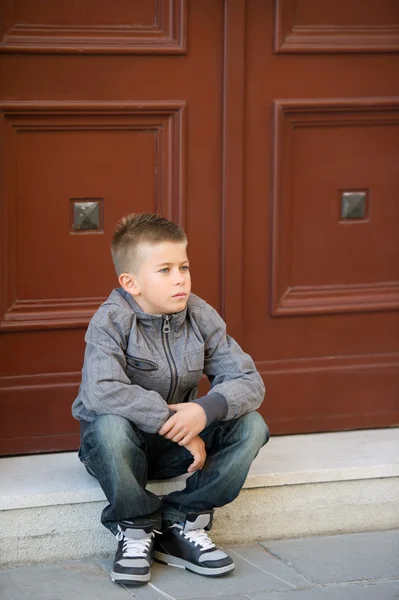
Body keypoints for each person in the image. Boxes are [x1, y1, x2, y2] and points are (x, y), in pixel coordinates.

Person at [72, 213, 269, 585]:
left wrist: (204, 410)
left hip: (175, 451)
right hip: (119, 451)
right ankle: (135, 525)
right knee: (110, 424)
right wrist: (175, 424)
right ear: (131, 282)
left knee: (251, 426)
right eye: (164, 270)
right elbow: (102, 390)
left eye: (184, 266)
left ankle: (184, 520)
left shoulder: (199, 314)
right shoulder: (111, 320)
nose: (180, 278)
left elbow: (248, 380)